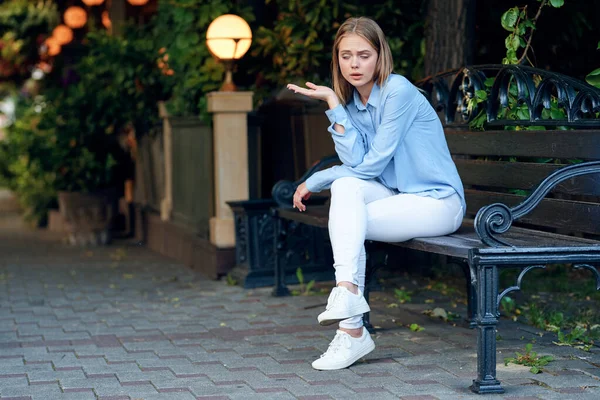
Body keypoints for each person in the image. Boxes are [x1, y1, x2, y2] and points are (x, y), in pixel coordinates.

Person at [286, 16, 466, 371]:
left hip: (438, 202)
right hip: (398, 199)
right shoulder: (352, 103)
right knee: (346, 187)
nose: (354, 64)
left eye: (364, 55)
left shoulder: (397, 90)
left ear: (380, 55)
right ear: (337, 60)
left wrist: (315, 180)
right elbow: (354, 162)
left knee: (347, 218)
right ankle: (349, 305)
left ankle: (351, 327)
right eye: (346, 56)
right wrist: (332, 103)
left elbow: (373, 163)